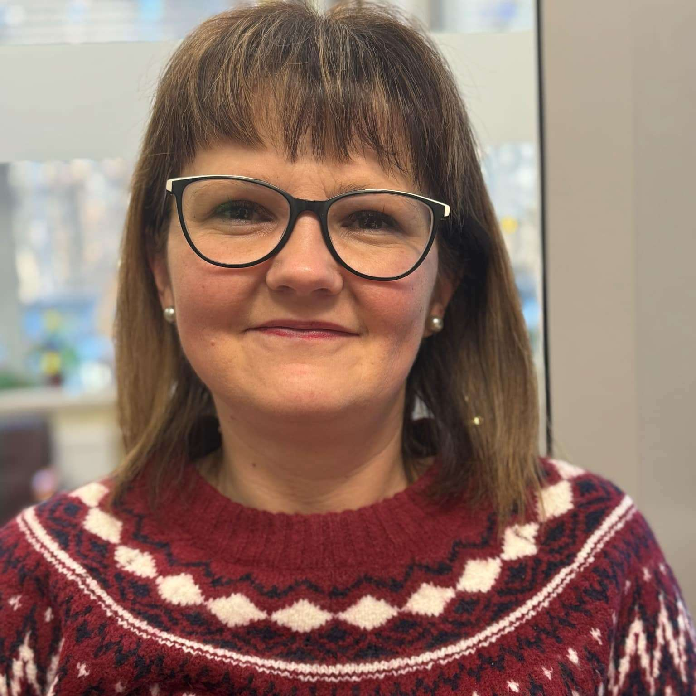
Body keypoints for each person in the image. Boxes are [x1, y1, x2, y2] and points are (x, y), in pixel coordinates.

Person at [1, 1, 694, 693]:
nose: (304, 271)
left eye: (371, 219)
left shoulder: (597, 562)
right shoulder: (32, 588)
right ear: (161, 269)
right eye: (241, 210)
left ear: (444, 284)